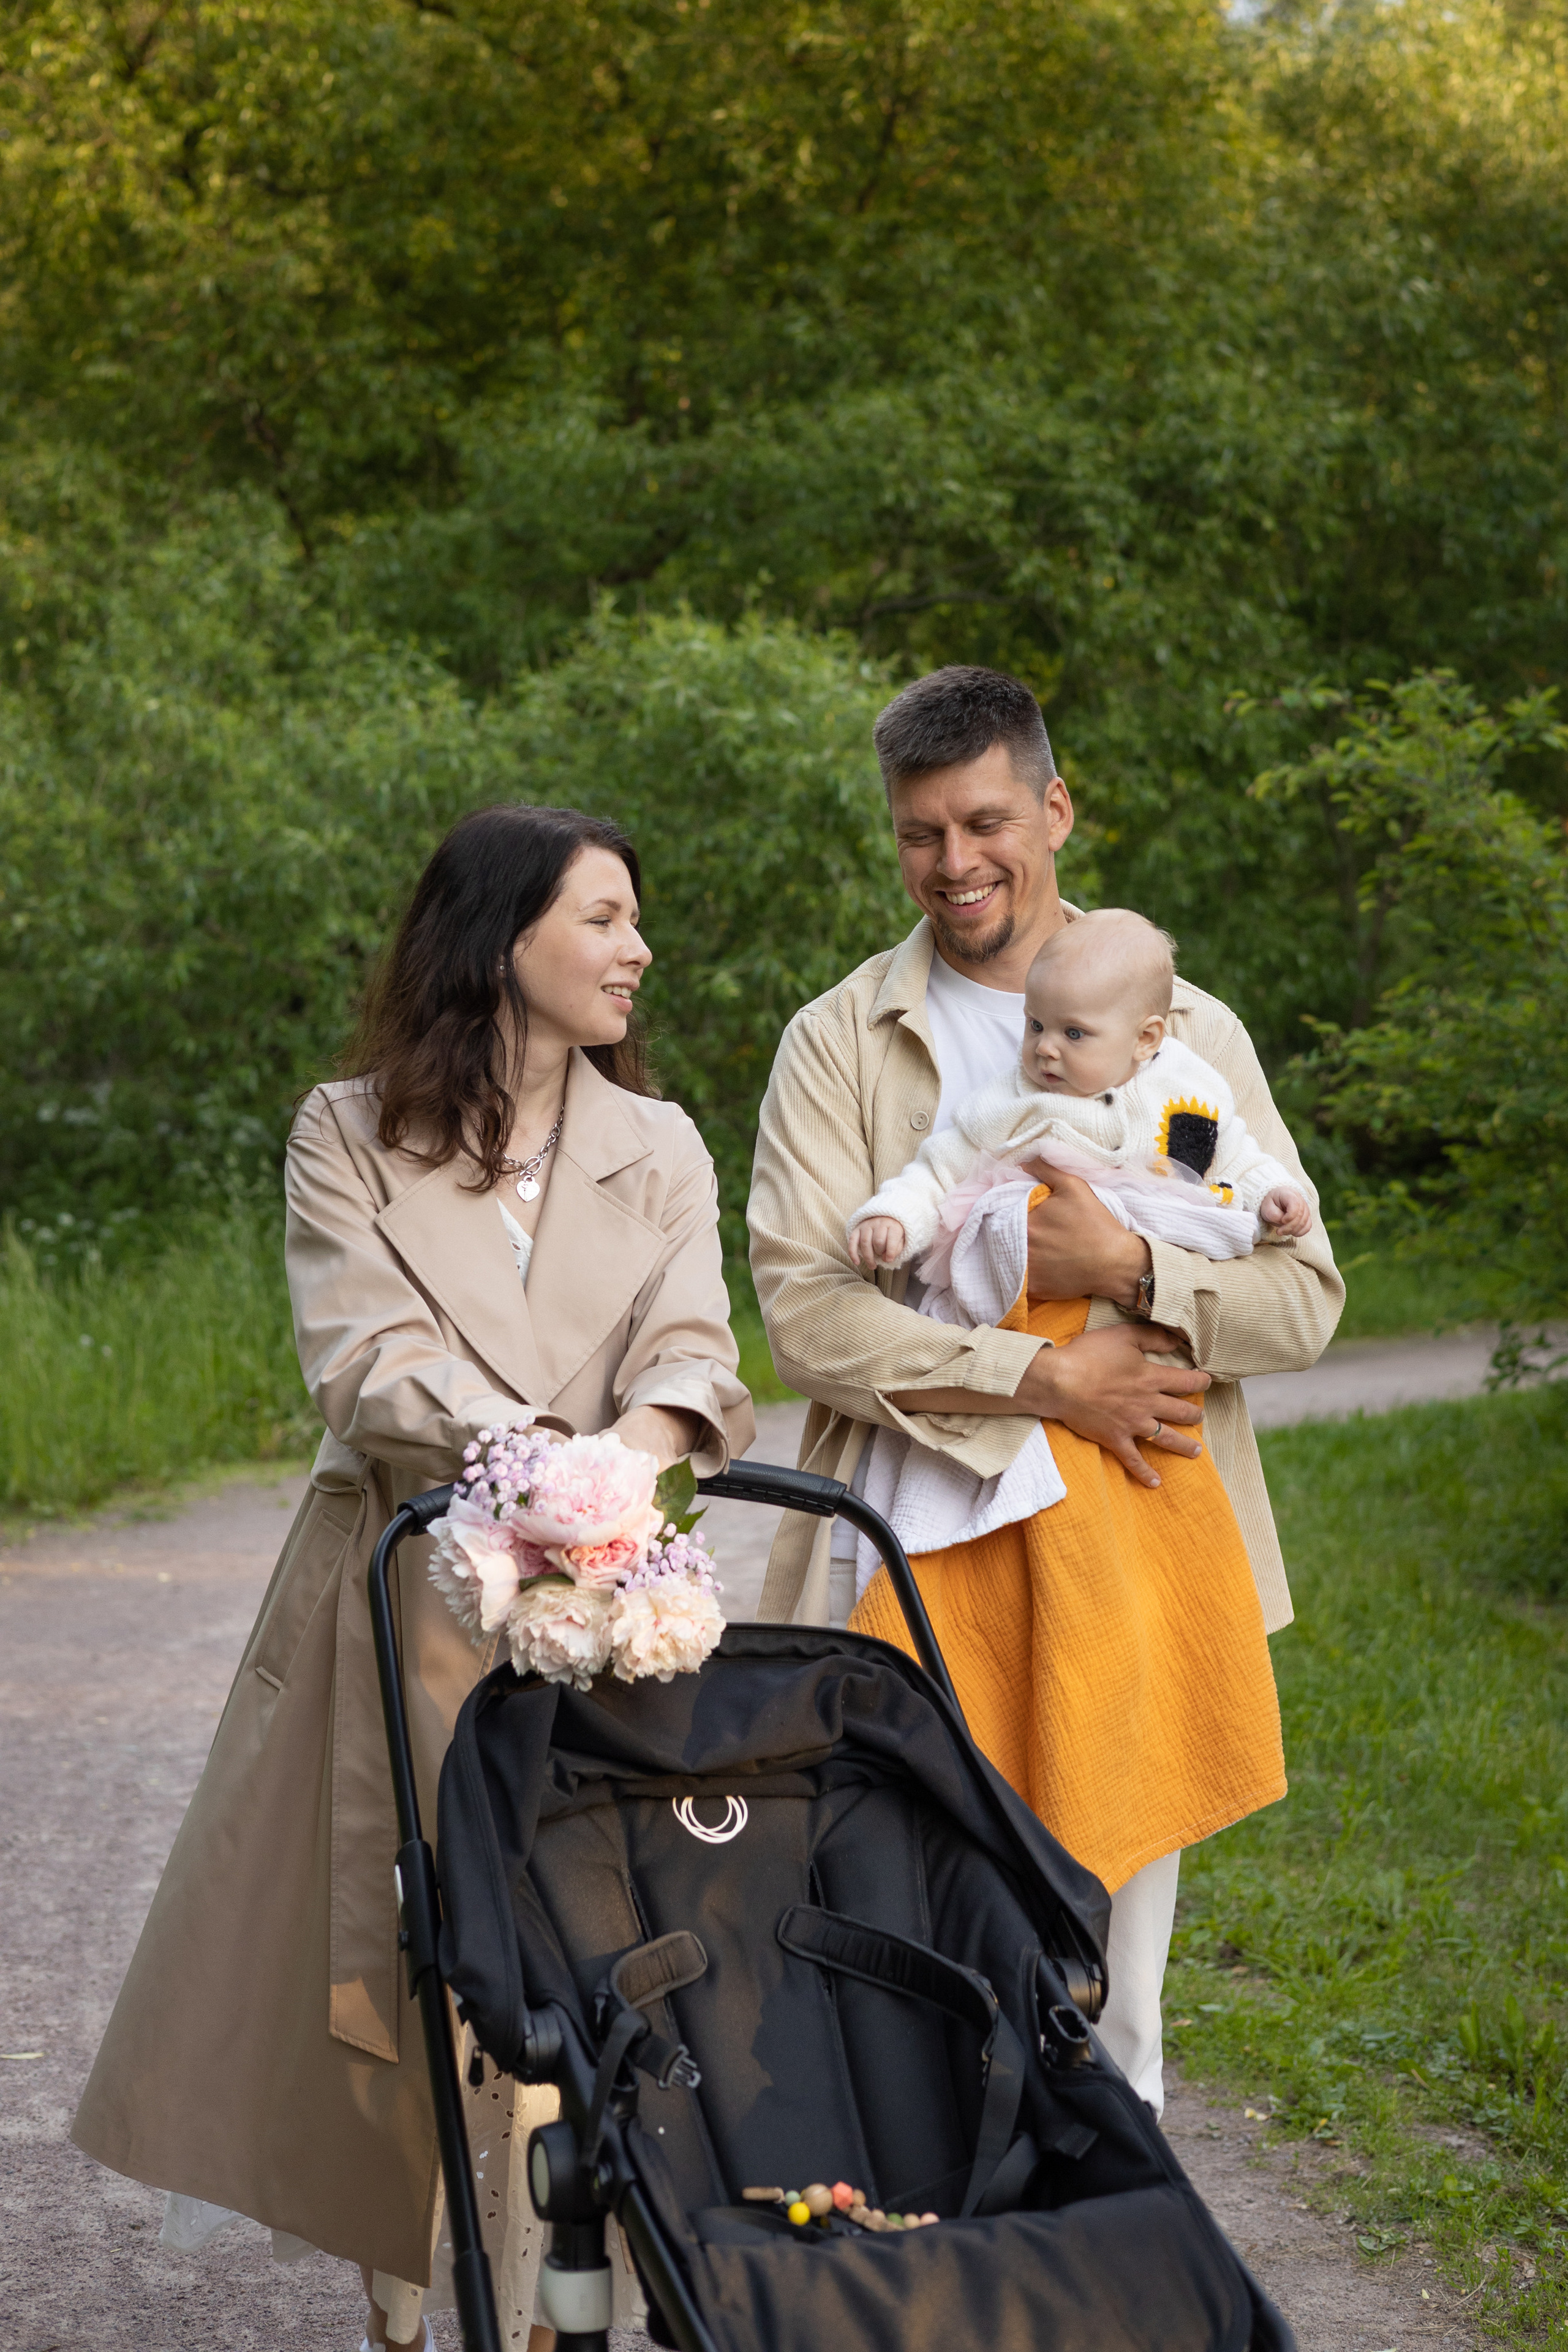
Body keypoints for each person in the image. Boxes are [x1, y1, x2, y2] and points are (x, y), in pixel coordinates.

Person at [72, 804, 755, 2352]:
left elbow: (693, 1351)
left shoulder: (658, 1144)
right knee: (406, 1955)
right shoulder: (344, 1130)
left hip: (611, 1594)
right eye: (603, 918)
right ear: (501, 940)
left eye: (634, 917)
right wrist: (532, 1461)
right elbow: (364, 1360)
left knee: (599, 1945)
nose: (639, 949)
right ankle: (401, 2299)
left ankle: (560, 2296)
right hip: (404, 1594)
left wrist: (614, 1470)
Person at [748, 666, 1342, 2116]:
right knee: (910, 1927)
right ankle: (932, 2215)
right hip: (913, 1545)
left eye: (984, 822)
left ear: (1053, 809)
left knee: (1115, 1975)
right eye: (918, 832)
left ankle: (1113, 2203)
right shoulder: (839, 1040)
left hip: (1140, 1542)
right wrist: (1039, 1376)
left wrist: (1127, 1265)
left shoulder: (1183, 1032)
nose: (953, 862)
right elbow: (805, 1318)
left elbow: (1303, 1299)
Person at [847, 907, 1312, 1273]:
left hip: (1163, 1255)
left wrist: (1271, 1191)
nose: (1045, 1048)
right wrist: (897, 1216)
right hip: (1046, 1267)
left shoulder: (1188, 1084)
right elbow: (943, 1167)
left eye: (1073, 1033)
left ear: (1145, 1038)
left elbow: (1234, 1155)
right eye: (1035, 1025)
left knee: (1224, 1222)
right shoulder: (1019, 1097)